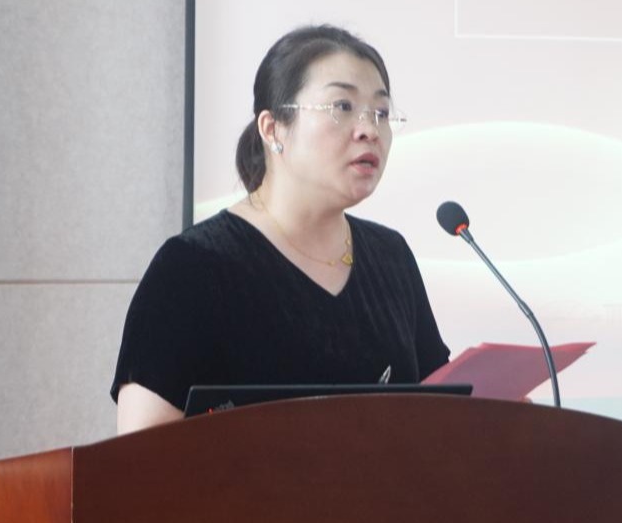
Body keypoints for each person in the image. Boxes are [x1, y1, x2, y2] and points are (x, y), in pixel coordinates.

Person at [111, 25, 450, 434]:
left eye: (380, 112)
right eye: (342, 106)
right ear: (272, 129)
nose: (369, 130)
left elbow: (443, 416)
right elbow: (139, 453)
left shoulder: (390, 257)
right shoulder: (192, 266)